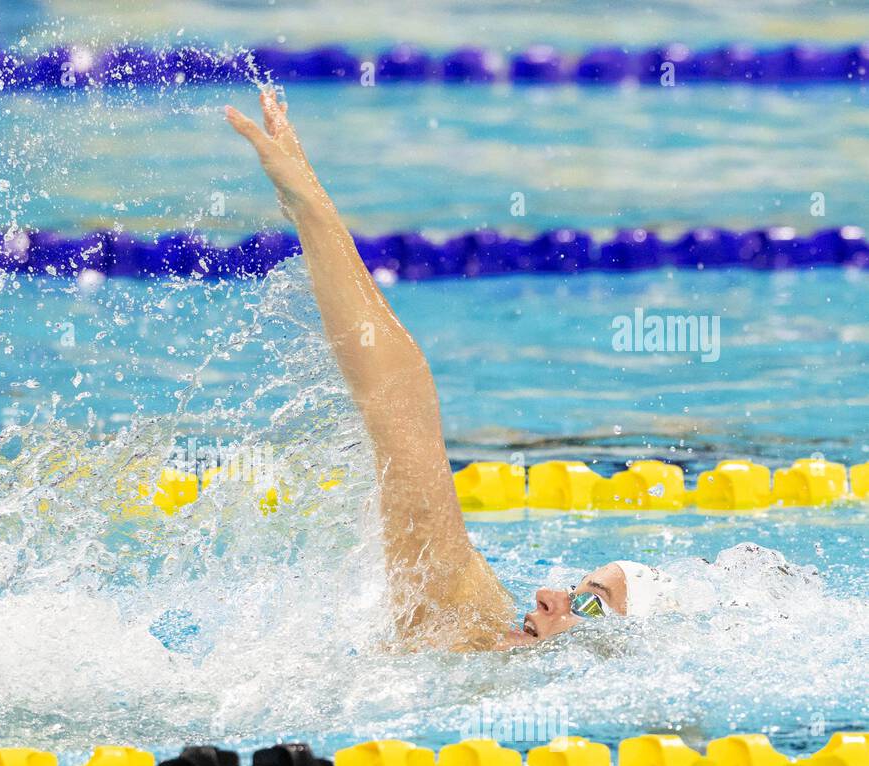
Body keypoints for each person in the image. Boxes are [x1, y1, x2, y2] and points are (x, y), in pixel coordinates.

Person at [225, 89, 673, 651]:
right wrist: (309, 207)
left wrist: (311, 208)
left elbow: (401, 402)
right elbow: (397, 410)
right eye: (577, 588)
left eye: (591, 601)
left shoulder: (484, 646)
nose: (546, 594)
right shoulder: (471, 623)